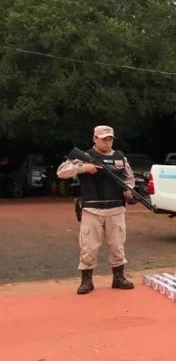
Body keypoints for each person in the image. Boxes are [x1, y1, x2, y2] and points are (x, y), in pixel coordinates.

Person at [56, 125, 136, 295]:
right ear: (94, 139)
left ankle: (119, 277)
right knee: (89, 247)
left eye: (110, 139)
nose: (107, 142)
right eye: (103, 138)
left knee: (117, 246)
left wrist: (128, 189)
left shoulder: (120, 158)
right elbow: (61, 172)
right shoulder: (86, 157)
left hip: (116, 209)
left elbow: (129, 178)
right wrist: (83, 168)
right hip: (92, 209)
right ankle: (86, 281)